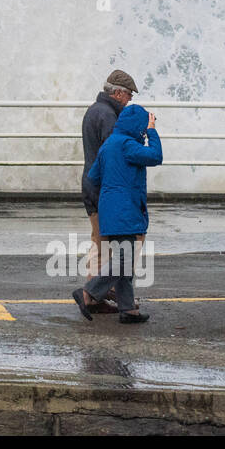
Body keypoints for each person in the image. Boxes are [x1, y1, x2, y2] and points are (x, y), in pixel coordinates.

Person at [72, 103, 161, 324]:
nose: (143, 130)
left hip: (109, 209)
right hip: (126, 209)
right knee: (125, 259)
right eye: (142, 126)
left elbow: (94, 176)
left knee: (124, 258)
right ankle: (88, 292)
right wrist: (152, 130)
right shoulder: (127, 145)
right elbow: (156, 156)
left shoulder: (109, 144)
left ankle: (128, 309)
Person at [80, 70, 137, 311]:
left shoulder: (95, 110)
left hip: (92, 185)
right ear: (116, 93)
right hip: (103, 190)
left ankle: (99, 292)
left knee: (100, 243)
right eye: (128, 95)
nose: (130, 100)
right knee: (114, 247)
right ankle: (92, 294)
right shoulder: (108, 116)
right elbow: (113, 157)